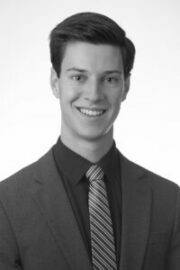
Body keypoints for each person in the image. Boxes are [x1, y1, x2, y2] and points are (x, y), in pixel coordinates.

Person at [0, 12, 179, 270]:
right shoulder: (6, 204)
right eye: (78, 77)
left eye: (109, 79)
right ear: (55, 82)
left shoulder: (170, 201)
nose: (94, 95)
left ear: (126, 86)